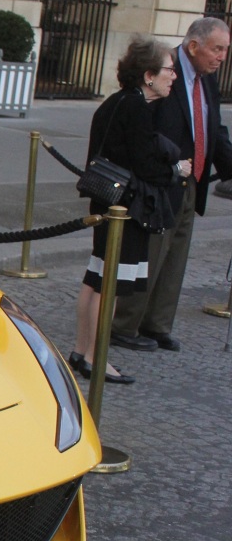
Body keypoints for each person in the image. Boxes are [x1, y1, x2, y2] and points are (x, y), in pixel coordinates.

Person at [70, 36, 191, 385]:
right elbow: (145, 165)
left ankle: (83, 351)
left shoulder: (120, 102)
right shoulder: (135, 107)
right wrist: (176, 170)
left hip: (110, 204)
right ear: (149, 75)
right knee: (107, 285)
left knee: (96, 280)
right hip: (124, 209)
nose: (174, 76)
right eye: (169, 69)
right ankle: (95, 358)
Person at [112, 17, 232, 352]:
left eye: (225, 50)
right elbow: (143, 125)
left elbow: (214, 129)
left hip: (192, 181)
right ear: (194, 46)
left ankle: (157, 324)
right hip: (161, 179)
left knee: (175, 256)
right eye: (217, 48)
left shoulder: (207, 80)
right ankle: (125, 325)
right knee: (150, 253)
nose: (222, 56)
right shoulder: (166, 69)